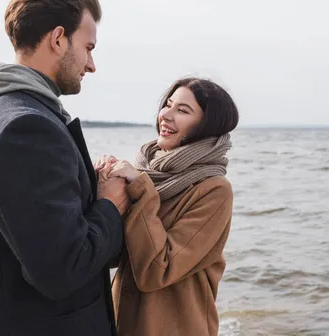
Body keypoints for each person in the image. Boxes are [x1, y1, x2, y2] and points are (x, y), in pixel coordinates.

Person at [0, 0, 129, 336]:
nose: (92, 64)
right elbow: (62, 270)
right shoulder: (26, 128)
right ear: (57, 39)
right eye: (88, 47)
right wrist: (110, 204)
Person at [95, 77, 239, 336]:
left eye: (182, 111)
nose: (165, 115)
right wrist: (103, 195)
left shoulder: (214, 190)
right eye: (168, 105)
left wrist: (140, 192)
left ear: (206, 126)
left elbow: (157, 270)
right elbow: (111, 256)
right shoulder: (146, 174)